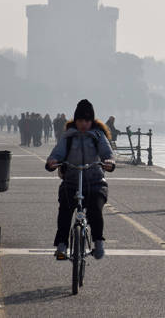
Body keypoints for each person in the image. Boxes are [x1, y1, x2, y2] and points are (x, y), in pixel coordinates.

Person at [46, 99, 115, 260]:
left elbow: (107, 153)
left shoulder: (98, 136)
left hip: (95, 182)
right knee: (64, 210)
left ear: (91, 121)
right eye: (80, 121)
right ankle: (61, 245)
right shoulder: (68, 137)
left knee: (95, 210)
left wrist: (110, 162)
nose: (83, 124)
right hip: (71, 182)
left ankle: (98, 242)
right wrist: (52, 162)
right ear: (75, 121)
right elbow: (58, 153)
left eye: (86, 121)